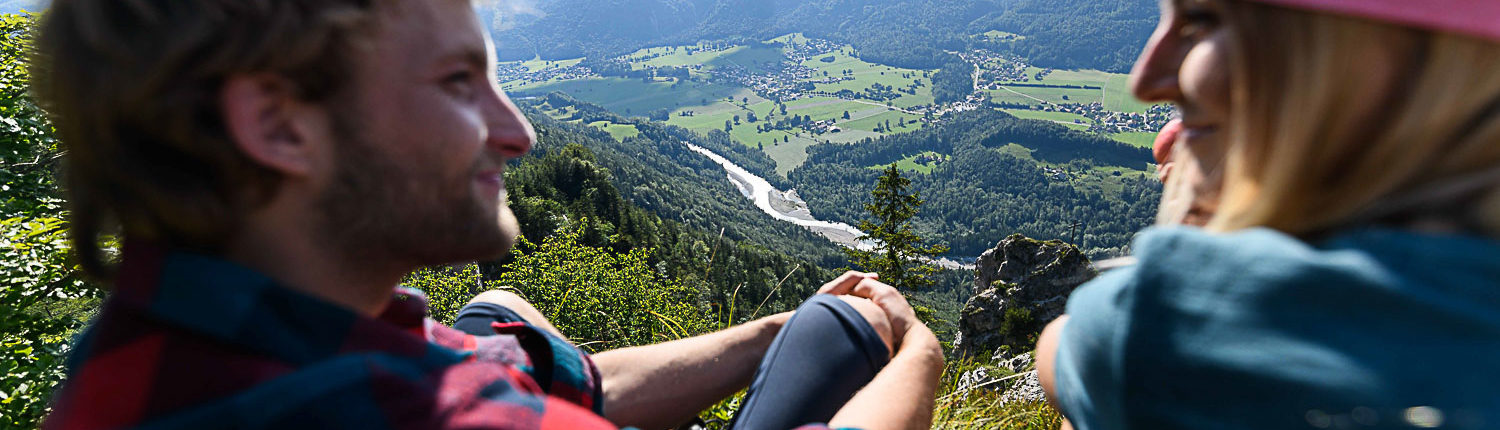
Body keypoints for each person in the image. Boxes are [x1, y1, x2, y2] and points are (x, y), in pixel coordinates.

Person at [30, 0, 945, 429]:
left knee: (502, 318)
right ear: (277, 124)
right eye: (459, 82)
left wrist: (769, 330)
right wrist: (917, 354)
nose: (517, 134)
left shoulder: (147, 346)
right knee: (849, 330)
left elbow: (582, 386)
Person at [1035, 0, 1500, 429]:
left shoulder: (1181, 330)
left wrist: (1196, 240)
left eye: (1200, 20)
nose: (1145, 79)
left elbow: (1068, 356)